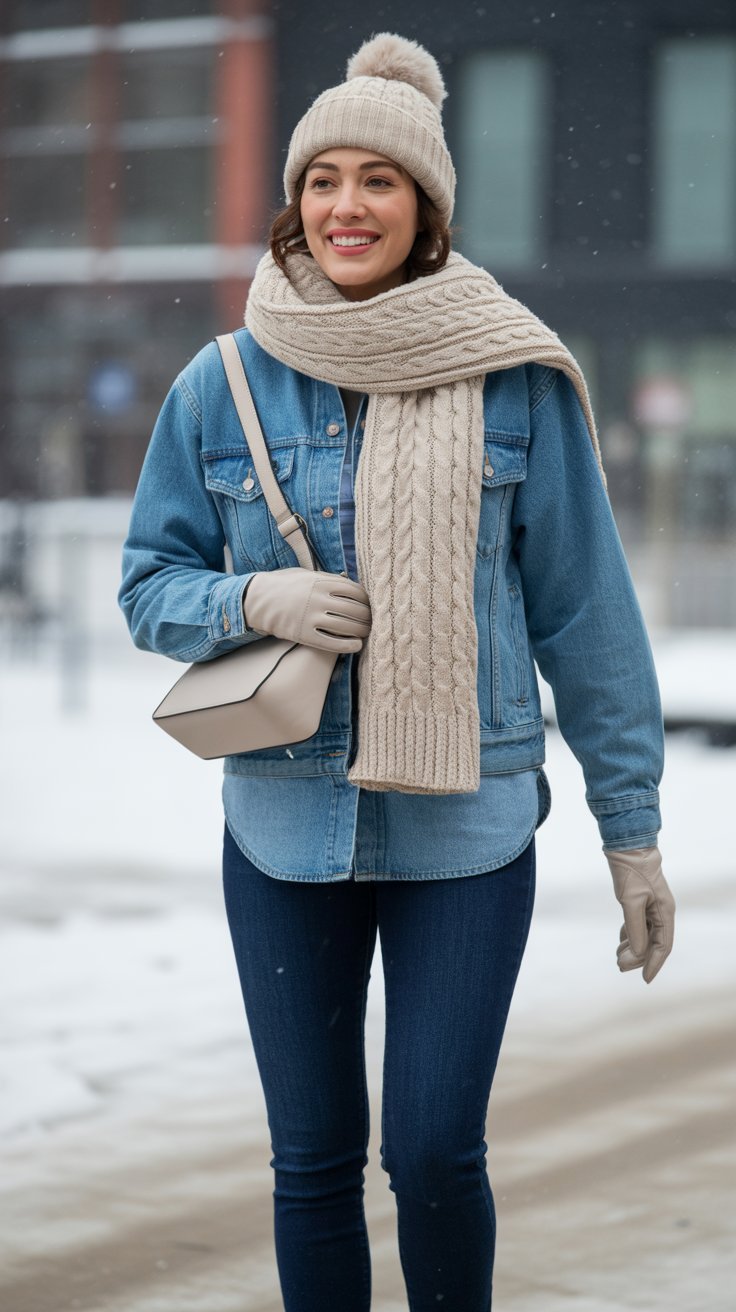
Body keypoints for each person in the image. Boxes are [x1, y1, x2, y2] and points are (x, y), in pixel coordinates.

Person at [119, 32, 675, 1312]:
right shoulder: (222, 385)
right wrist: (250, 595)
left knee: (431, 1151)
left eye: (379, 179)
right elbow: (148, 585)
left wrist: (631, 834)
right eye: (323, 179)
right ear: (293, 199)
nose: (345, 206)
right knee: (311, 1164)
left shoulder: (515, 381)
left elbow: (587, 618)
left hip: (468, 828)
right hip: (281, 821)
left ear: (425, 208)